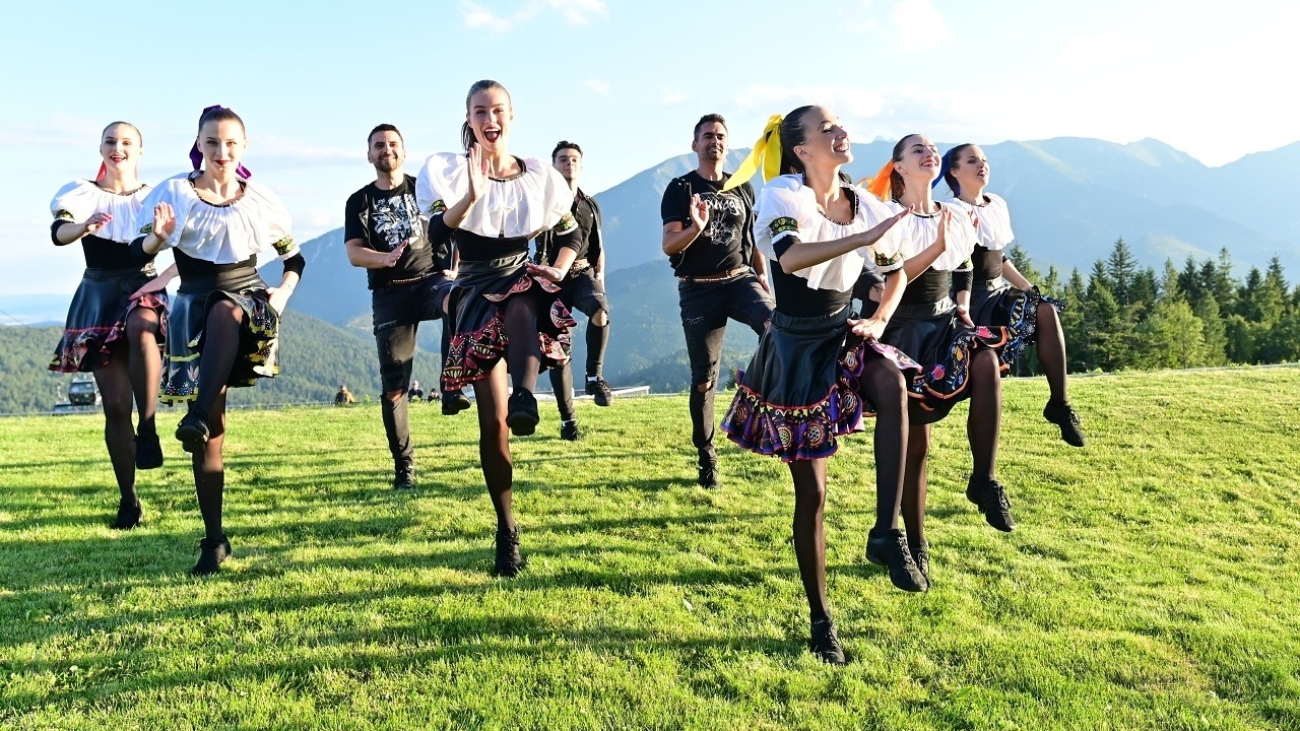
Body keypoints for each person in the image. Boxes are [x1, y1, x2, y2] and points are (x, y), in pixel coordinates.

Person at [720, 109, 955, 665]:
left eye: (839, 125)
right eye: (827, 129)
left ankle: (885, 532)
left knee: (892, 382)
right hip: (796, 347)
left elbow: (896, 272)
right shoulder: (783, 196)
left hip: (843, 329)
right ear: (801, 150)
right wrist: (865, 236)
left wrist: (878, 320)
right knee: (814, 495)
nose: (840, 133)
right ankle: (821, 620)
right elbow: (792, 257)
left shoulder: (863, 200)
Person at [133, 105, 306, 575]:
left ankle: (195, 413)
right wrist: (158, 240)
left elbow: (295, 261)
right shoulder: (176, 192)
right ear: (199, 146)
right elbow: (139, 249)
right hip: (193, 306)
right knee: (214, 435)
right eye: (212, 143)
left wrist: (282, 295)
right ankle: (214, 541)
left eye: (230, 143)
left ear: (243, 147)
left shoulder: (261, 200)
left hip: (248, 307)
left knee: (227, 308)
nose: (222, 151)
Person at [417, 79, 579, 577]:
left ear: (512, 116)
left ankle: (526, 395)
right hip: (474, 285)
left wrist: (561, 267)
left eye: (498, 110)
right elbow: (435, 234)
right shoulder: (448, 168)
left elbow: (570, 232)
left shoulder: (537, 174)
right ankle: (506, 530)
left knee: (525, 298)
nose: (491, 119)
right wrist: (468, 196)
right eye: (481, 111)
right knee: (493, 425)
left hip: (521, 275)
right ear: (468, 118)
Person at [862, 134, 1015, 585]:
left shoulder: (955, 214)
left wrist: (964, 302)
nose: (929, 153)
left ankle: (984, 479)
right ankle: (914, 543)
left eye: (931, 149)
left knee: (986, 360)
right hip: (905, 329)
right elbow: (872, 278)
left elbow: (964, 263)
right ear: (900, 167)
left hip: (946, 321)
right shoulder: (887, 217)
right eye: (917, 151)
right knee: (917, 447)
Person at [48, 121, 173, 530]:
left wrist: (159, 260)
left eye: (126, 142)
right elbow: (59, 233)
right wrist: (83, 227)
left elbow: (170, 247)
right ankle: (129, 499)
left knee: (141, 327)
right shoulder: (79, 193)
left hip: (143, 284)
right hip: (99, 292)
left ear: (140, 150)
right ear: (100, 148)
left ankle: (150, 427)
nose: (117, 148)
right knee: (116, 406)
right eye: (110, 141)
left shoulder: (157, 196)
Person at [941, 144, 1085, 446]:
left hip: (998, 292)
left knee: (1045, 309)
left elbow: (999, 259)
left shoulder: (995, 205)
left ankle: (1060, 404)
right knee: (985, 372)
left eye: (983, 160)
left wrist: (1029, 289)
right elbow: (955, 265)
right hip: (971, 300)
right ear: (954, 171)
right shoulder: (952, 212)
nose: (982, 165)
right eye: (971, 161)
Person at [345, 123, 464, 489]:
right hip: (390, 293)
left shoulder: (423, 189)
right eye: (379, 145)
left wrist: (456, 267)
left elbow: (452, 224)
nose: (387, 150)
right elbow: (353, 253)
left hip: (430, 281)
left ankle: (451, 385)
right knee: (394, 385)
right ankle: (404, 467)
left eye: (393, 144)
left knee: (457, 299)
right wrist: (384, 258)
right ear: (369, 155)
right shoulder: (359, 201)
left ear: (404, 150)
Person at [661, 113, 775, 488]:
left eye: (721, 135)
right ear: (695, 145)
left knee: (777, 327)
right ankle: (706, 455)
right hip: (698, 289)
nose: (715, 140)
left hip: (740, 280)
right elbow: (668, 245)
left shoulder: (742, 187)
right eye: (707, 135)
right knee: (703, 381)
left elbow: (753, 239)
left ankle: (764, 403)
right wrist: (695, 227)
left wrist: (763, 275)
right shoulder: (680, 188)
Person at [534, 140, 614, 440]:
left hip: (581, 274)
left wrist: (601, 275)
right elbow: (539, 247)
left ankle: (594, 376)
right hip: (549, 281)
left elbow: (598, 246)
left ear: (581, 166)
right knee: (558, 352)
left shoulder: (590, 204)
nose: (569, 164)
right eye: (563, 159)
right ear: (553, 166)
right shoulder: (545, 202)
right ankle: (568, 422)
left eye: (574, 160)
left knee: (601, 312)